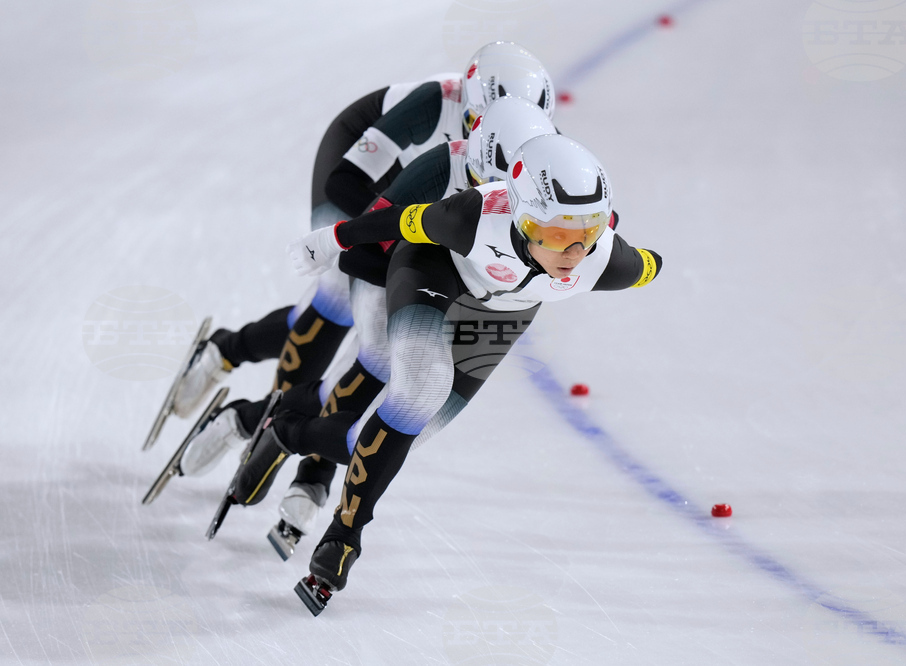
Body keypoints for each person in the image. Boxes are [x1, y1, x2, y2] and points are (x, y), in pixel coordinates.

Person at [234, 133, 661, 610]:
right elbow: (398, 220)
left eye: (587, 234)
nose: (573, 254)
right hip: (432, 268)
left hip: (501, 313)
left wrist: (593, 231)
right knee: (422, 388)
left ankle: (287, 431)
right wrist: (330, 240)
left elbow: (652, 265)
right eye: (557, 235)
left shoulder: (608, 261)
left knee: (388, 439)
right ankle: (344, 538)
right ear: (520, 218)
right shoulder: (474, 217)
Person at [182, 97, 560, 556]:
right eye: (485, 190)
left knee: (395, 428)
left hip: (473, 300)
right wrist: (417, 275)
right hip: (397, 268)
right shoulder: (444, 163)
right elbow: (360, 235)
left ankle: (258, 420)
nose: (493, 209)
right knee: (373, 348)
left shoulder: (555, 195)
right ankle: (303, 465)